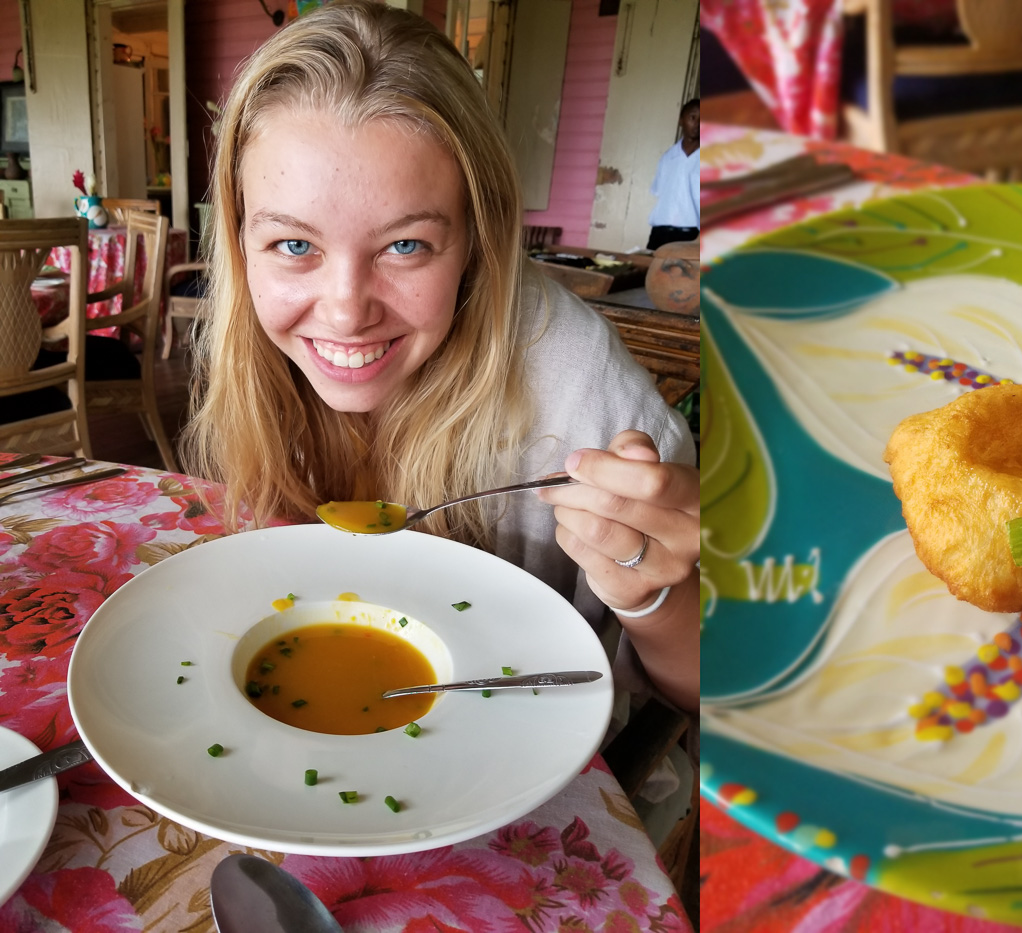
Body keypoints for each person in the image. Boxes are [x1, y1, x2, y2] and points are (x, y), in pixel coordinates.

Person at [180, 0, 699, 712]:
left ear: (475, 240)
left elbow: (705, 698)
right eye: (294, 245)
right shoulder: (247, 344)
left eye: (405, 245)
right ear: (241, 246)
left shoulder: (583, 396)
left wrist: (657, 594)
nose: (344, 309)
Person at [645, 99, 700, 251]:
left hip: (692, 235)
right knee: (649, 271)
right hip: (661, 232)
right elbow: (660, 192)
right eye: (692, 117)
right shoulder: (667, 157)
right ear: (681, 120)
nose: (697, 123)